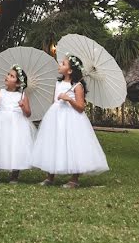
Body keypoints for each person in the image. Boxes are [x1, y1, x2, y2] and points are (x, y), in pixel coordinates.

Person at [31, 54, 108, 188]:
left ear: (70, 70)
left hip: (72, 118)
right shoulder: (58, 83)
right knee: (53, 144)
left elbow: (80, 107)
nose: (60, 65)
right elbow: (54, 101)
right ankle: (50, 176)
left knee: (73, 145)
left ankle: (74, 179)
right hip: (55, 117)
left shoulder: (78, 86)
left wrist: (69, 99)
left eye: (63, 64)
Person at [0, 65, 36, 183]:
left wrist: (23, 107)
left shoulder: (22, 96)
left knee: (15, 146)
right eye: (8, 74)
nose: (7, 77)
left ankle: (14, 174)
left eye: (11, 76)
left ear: (17, 83)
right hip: (0, 123)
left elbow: (28, 113)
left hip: (17, 124)